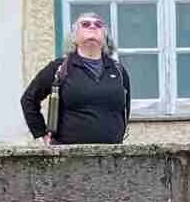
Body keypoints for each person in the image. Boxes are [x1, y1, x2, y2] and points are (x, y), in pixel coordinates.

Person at [20, 12, 131, 146]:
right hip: (68, 156)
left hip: (112, 155)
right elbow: (29, 99)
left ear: (105, 36)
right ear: (74, 36)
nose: (92, 27)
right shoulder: (59, 68)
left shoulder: (118, 71)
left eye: (98, 25)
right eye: (85, 24)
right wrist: (41, 134)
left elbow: (124, 108)